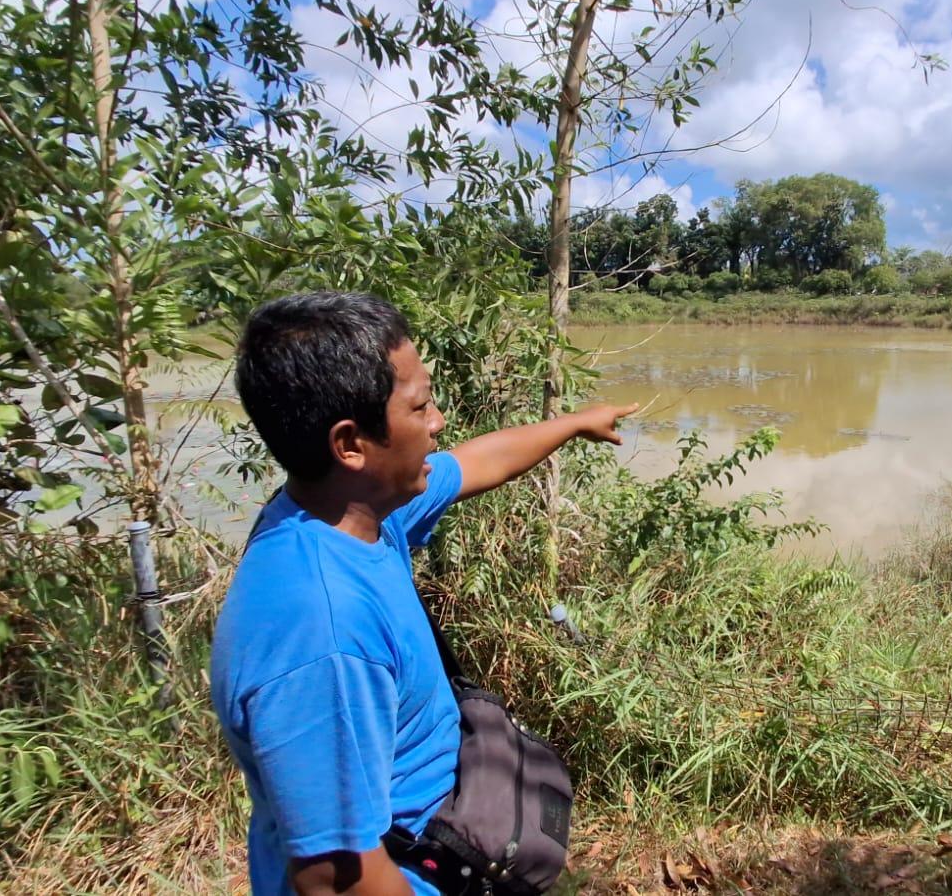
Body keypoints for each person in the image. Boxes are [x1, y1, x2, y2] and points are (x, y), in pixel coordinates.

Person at [210, 291, 636, 896]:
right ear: (350, 444)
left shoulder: (358, 516)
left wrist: (571, 424)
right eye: (420, 406)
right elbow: (335, 876)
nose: (437, 422)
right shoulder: (320, 629)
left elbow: (478, 461)